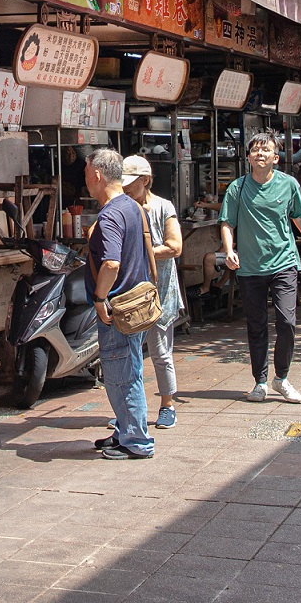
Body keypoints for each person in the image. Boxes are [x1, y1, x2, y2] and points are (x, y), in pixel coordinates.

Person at [221, 133, 301, 401]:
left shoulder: (289, 185)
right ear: (248, 157)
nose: (260, 154)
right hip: (250, 267)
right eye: (255, 150)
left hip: (285, 262)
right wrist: (229, 250)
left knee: (287, 321)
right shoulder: (237, 188)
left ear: (276, 158)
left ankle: (281, 378)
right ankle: (260, 382)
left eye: (266, 150)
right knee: (256, 325)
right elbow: (227, 222)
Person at [84, 147, 155, 459]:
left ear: (97, 176)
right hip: (134, 305)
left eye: (87, 175)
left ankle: (137, 442)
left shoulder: (112, 213)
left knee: (121, 375)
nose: (86, 181)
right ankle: (126, 431)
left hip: (118, 309)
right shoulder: (129, 205)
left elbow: (111, 263)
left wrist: (100, 298)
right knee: (131, 371)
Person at [123, 155, 184, 429]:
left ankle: (167, 404)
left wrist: (141, 253)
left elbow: (174, 247)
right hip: (128, 294)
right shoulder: (122, 207)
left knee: (160, 352)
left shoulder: (163, 207)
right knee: (130, 354)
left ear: (145, 181)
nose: (125, 187)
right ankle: (131, 409)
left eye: (130, 182)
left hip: (158, 293)